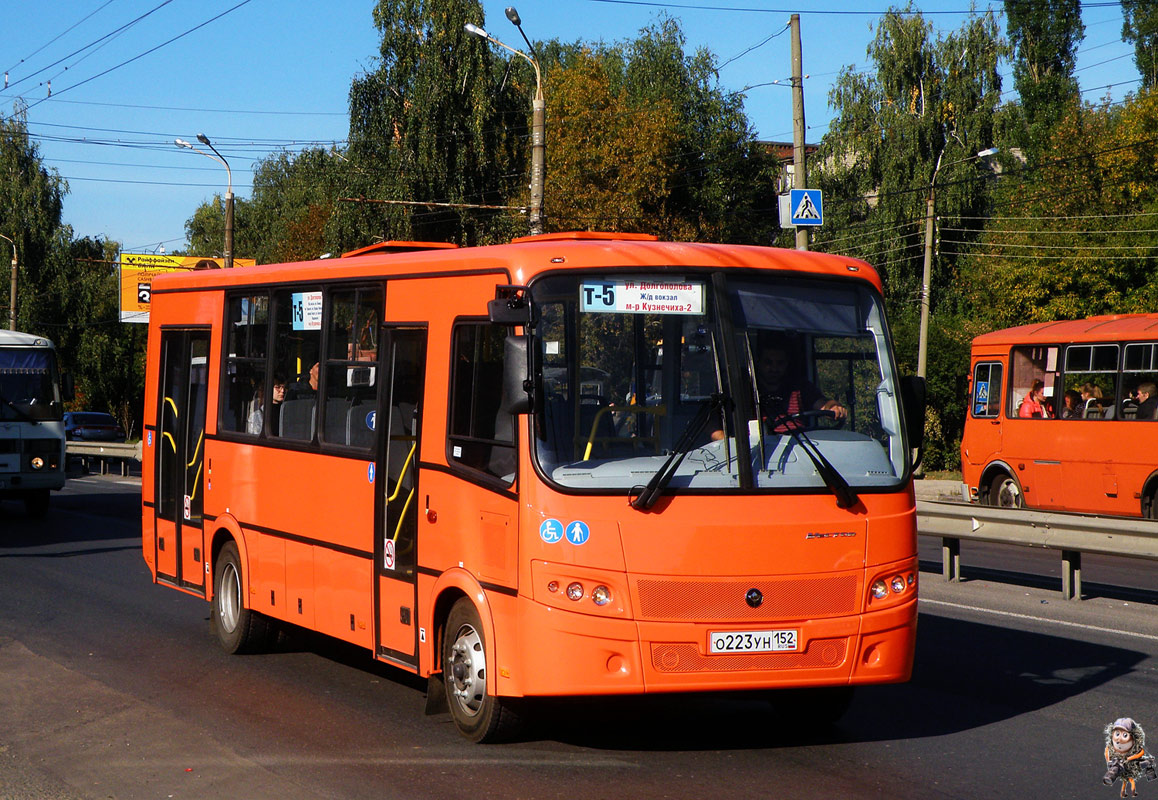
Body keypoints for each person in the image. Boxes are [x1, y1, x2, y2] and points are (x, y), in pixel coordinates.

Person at [711, 332, 845, 440]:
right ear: (758, 363)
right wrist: (727, 444)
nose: (774, 368)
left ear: (787, 364)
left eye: (780, 363)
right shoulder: (743, 391)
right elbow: (713, 423)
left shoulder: (799, 387)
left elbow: (823, 404)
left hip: (799, 452)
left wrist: (833, 407)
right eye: (768, 362)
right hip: (759, 455)